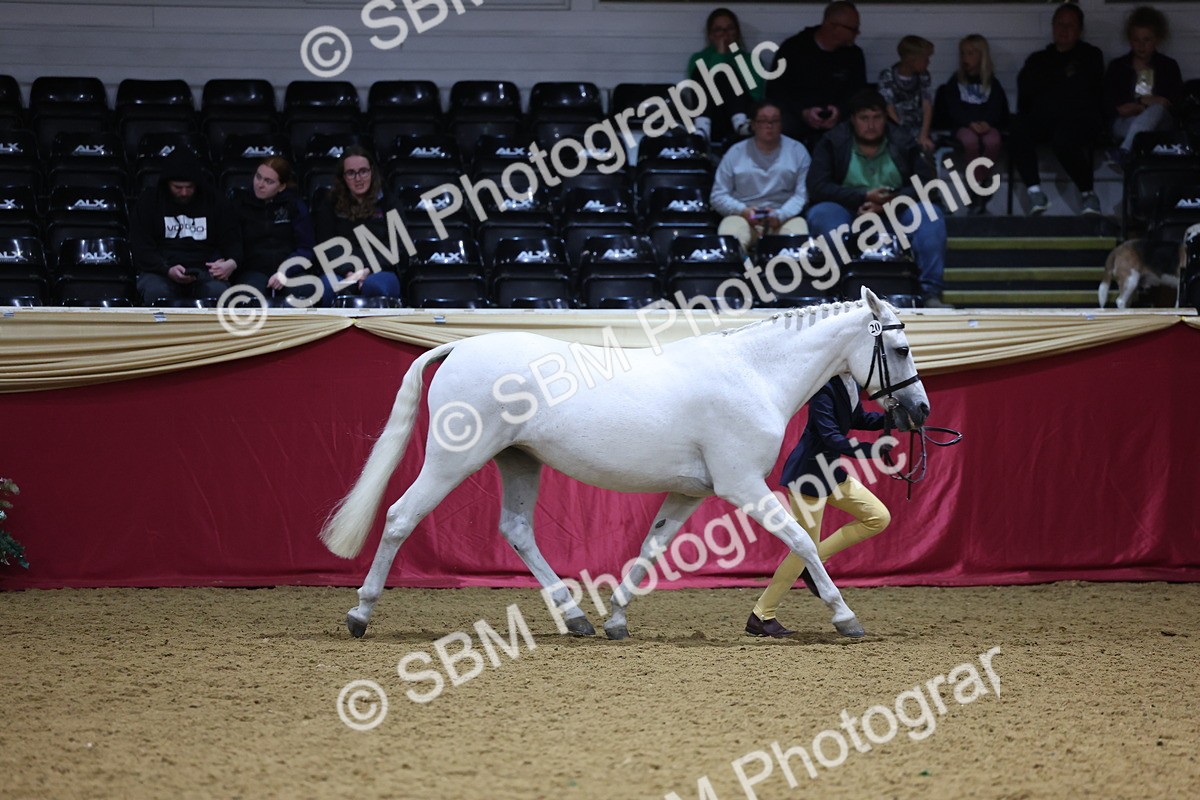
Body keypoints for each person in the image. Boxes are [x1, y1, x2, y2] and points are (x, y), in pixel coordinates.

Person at [745, 375, 891, 638]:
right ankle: (761, 615)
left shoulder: (852, 385)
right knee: (802, 550)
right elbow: (830, 437)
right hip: (807, 478)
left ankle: (815, 562)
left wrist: (891, 420)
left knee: (878, 517)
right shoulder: (823, 389)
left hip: (832, 474)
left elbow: (857, 418)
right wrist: (871, 449)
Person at [805, 89, 950, 308]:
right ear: (853, 120)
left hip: (895, 207)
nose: (870, 125)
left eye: (877, 118)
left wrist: (892, 202)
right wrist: (861, 197)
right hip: (847, 206)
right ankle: (833, 291)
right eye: (864, 118)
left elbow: (927, 184)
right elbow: (817, 186)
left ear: (886, 118)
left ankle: (930, 293)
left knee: (930, 216)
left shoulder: (902, 139)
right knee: (823, 215)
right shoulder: (833, 140)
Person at [1009, 2, 1105, 216]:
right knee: (1018, 125)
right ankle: (1034, 192)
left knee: (1064, 137)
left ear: (1080, 30)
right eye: (1059, 24)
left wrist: (1052, 89)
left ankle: (1088, 194)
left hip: (1080, 120)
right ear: (1052, 27)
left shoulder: (1090, 56)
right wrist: (1059, 86)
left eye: (1070, 25)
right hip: (1045, 119)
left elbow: (1085, 92)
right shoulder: (1038, 60)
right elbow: (1026, 93)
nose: (1064, 29)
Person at [130, 147, 242, 305]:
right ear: (167, 183)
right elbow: (141, 247)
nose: (183, 192)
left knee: (219, 293)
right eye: (177, 187)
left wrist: (231, 262)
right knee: (157, 293)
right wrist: (166, 269)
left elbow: (232, 239)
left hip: (205, 271)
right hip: (160, 271)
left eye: (189, 187)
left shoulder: (215, 200)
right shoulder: (149, 201)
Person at [711, 101, 811, 250]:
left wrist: (780, 215)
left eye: (774, 120)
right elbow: (717, 196)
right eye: (763, 120)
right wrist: (743, 211)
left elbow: (802, 195)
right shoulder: (735, 152)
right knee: (730, 240)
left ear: (781, 123)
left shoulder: (798, 151)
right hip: (742, 215)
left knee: (798, 242)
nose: (769, 125)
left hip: (784, 215)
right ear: (753, 124)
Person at [766, 1, 866, 149]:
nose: (857, 33)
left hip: (837, 117)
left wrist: (839, 111)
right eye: (853, 29)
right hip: (797, 115)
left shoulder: (853, 55)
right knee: (780, 123)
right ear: (833, 27)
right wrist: (803, 112)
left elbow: (858, 92)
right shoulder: (793, 48)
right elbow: (775, 90)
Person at [313, 146, 403, 303]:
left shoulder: (389, 202)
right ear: (343, 177)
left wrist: (368, 270)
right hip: (341, 270)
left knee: (375, 286)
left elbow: (398, 247)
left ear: (372, 172)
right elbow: (326, 246)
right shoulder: (329, 204)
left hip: (379, 269)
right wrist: (349, 272)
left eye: (363, 171)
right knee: (327, 287)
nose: (358, 178)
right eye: (351, 173)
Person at [234, 157, 326, 306]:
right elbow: (233, 243)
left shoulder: (295, 206)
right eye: (258, 177)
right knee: (247, 296)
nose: (260, 184)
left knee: (308, 290)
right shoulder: (240, 204)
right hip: (253, 270)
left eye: (269, 181)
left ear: (282, 186)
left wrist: (285, 271)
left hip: (290, 269)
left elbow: (306, 249)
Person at [935, 34, 1010, 215]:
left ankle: (979, 184)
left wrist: (987, 123)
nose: (965, 58)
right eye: (962, 54)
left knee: (993, 141)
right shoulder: (955, 82)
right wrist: (968, 123)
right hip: (964, 126)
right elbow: (952, 109)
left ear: (982, 56)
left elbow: (998, 108)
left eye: (970, 54)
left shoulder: (992, 83)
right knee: (970, 142)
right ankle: (977, 187)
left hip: (987, 126)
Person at [1103, 5, 1183, 167]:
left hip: (1159, 123)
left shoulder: (1167, 66)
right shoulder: (1118, 66)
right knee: (1134, 123)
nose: (1141, 46)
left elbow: (1177, 102)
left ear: (1157, 40)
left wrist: (1158, 101)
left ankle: (1125, 150)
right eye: (1136, 40)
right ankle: (1130, 147)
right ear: (1130, 40)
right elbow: (1106, 101)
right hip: (1127, 121)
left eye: (1147, 40)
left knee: (1156, 110)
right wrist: (1124, 108)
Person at [686, 8, 767, 147]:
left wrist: (724, 59)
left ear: (737, 33)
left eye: (729, 29)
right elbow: (697, 90)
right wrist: (720, 54)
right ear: (710, 35)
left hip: (744, 116)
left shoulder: (751, 60)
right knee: (703, 71)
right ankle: (702, 129)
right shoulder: (698, 58)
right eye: (719, 30)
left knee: (725, 72)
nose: (725, 34)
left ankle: (740, 124)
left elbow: (756, 94)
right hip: (712, 116)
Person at [879, 35, 935, 154]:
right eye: (925, 59)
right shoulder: (887, 76)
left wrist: (923, 134)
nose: (928, 62)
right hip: (895, 128)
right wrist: (902, 135)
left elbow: (927, 105)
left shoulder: (923, 76)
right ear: (911, 59)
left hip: (918, 128)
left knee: (927, 148)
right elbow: (889, 108)